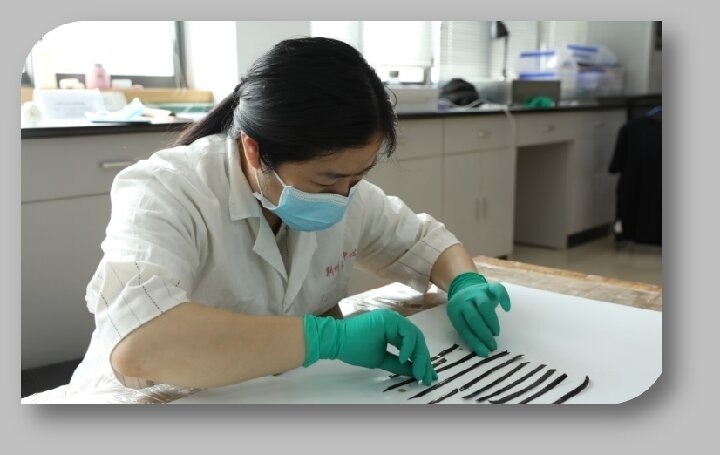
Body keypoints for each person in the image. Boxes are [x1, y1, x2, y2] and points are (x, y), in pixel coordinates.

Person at [69, 36, 511, 393]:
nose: (342, 197)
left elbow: (424, 242)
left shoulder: (348, 194)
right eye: (326, 181)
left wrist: (464, 282)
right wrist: (326, 339)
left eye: (356, 178)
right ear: (253, 149)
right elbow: (142, 345)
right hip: (159, 401)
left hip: (277, 392)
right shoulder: (165, 190)